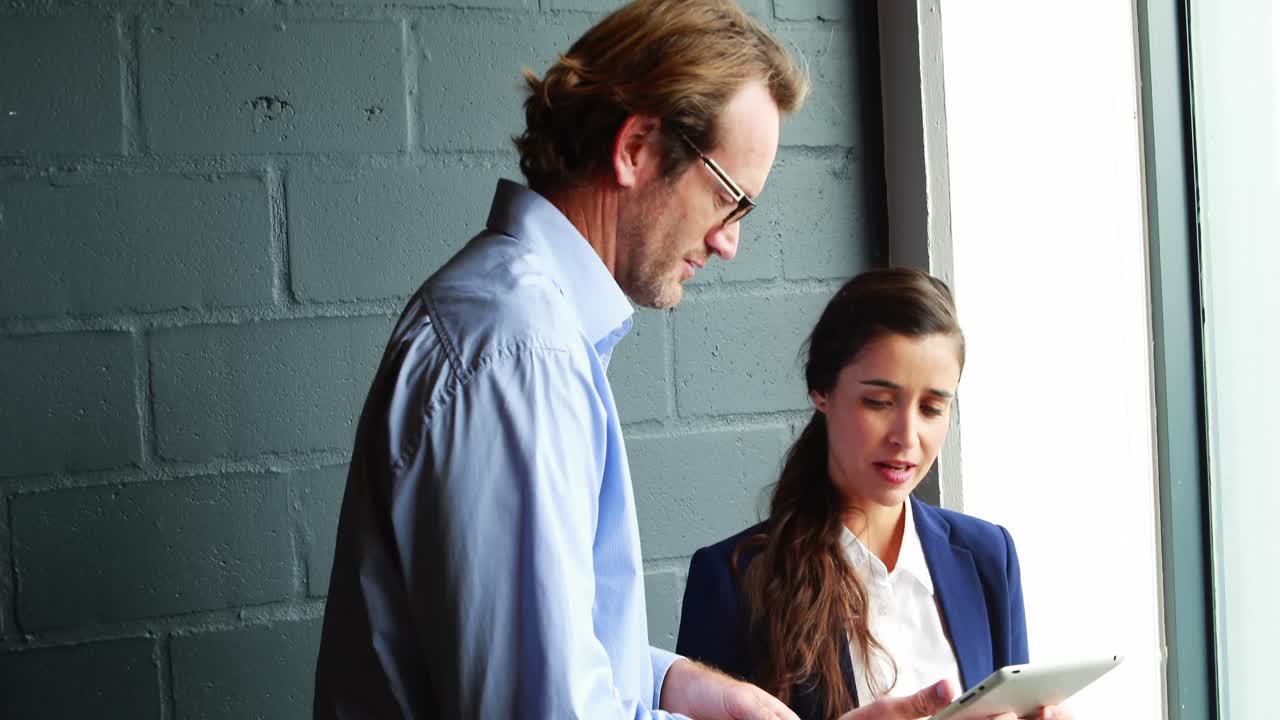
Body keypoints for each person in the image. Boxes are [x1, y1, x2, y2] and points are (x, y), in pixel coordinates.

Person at [313, 1, 966, 718]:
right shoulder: (521, 354)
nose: (727, 242)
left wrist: (679, 683)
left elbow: (556, 656)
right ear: (635, 148)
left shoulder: (522, 325)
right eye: (729, 199)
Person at [676, 268, 1073, 720]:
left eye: (932, 408)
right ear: (821, 390)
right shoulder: (733, 580)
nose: (907, 436)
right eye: (880, 402)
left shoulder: (987, 556)